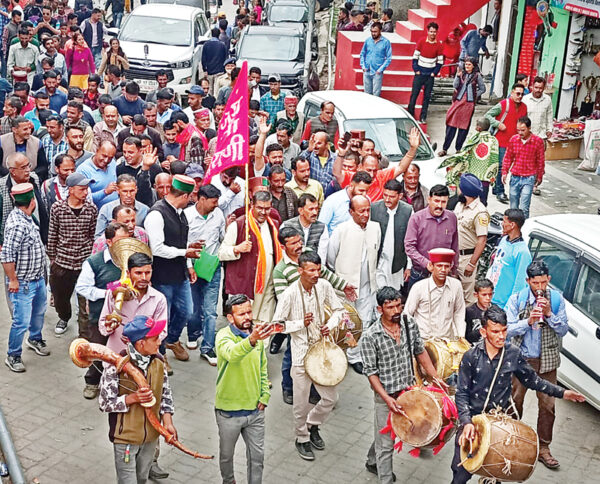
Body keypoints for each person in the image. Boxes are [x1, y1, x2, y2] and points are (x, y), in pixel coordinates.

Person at [452, 304, 585, 484]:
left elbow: (533, 380)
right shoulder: (471, 356)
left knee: (496, 474)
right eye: (496, 331)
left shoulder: (513, 354)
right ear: (484, 332)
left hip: (499, 424)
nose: (501, 336)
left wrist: (563, 393)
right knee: (461, 472)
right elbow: (461, 393)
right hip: (472, 421)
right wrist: (466, 422)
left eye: (504, 331)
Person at [361, 286, 445, 482]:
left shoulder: (409, 323)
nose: (397, 311)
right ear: (380, 309)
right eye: (390, 307)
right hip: (386, 396)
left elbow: (420, 351)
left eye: (399, 305)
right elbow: (371, 373)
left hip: (408, 392)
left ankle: (372, 460)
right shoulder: (370, 336)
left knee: (387, 432)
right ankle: (386, 479)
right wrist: (386, 399)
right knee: (387, 444)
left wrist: (434, 377)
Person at [272, 251, 345, 461]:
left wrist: (329, 325)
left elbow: (340, 311)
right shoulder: (289, 294)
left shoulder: (324, 287)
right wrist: (299, 324)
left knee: (331, 398)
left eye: (318, 270)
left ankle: (312, 425)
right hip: (301, 356)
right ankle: (301, 437)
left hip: (322, 353)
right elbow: (277, 325)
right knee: (301, 403)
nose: (316, 274)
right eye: (311, 270)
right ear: (300, 271)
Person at [98, 315, 178, 484]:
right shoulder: (116, 365)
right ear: (141, 343)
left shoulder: (158, 362)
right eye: (155, 338)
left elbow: (165, 394)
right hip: (125, 439)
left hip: (151, 438)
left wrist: (168, 422)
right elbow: (104, 403)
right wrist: (132, 398)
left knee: (141, 478)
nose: (159, 342)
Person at [506, 259, 569, 469]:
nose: (540, 288)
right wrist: (529, 321)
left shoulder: (558, 300)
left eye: (543, 283)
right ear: (528, 281)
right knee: (515, 402)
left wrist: (549, 313)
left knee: (548, 406)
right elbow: (507, 329)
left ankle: (544, 448)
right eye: (536, 283)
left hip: (547, 362)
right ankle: (510, 442)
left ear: (548, 279)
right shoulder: (517, 299)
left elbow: (563, 330)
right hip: (522, 360)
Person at [144, 175, 201, 365]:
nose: (192, 200)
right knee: (162, 317)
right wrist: (185, 252)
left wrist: (188, 263)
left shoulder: (180, 213)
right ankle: (160, 355)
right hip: (162, 276)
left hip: (180, 274)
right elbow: (157, 248)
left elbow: (180, 242)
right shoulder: (156, 214)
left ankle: (173, 339)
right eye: (191, 196)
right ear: (184, 196)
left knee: (187, 311)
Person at [215, 294, 272, 484]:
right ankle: (228, 481)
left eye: (249, 312)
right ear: (230, 318)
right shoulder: (223, 336)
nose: (247, 317)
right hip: (228, 413)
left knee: (257, 458)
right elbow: (232, 354)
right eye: (241, 314)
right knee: (226, 456)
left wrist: (265, 395)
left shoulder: (257, 336)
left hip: (256, 411)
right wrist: (252, 340)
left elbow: (263, 368)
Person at [74, 222, 128, 397]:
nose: (124, 245)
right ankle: (92, 382)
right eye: (120, 240)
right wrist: (108, 294)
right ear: (109, 242)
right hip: (100, 317)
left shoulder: (132, 259)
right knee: (98, 349)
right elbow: (82, 287)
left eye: (127, 240)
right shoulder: (94, 262)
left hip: (127, 317)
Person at [327, 195, 380, 373]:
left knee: (364, 322)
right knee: (347, 322)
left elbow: (376, 254)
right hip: (345, 288)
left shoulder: (375, 228)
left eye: (368, 210)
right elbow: (330, 258)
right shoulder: (341, 230)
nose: (366, 215)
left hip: (367, 286)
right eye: (361, 211)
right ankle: (345, 353)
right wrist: (342, 280)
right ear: (351, 212)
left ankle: (356, 356)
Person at [1, 182, 49, 372]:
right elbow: (6, 255)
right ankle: (13, 355)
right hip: (23, 284)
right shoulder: (18, 225)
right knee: (21, 321)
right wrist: (13, 280)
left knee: (38, 312)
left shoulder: (26, 218)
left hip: (37, 279)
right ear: (32, 201)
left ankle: (35, 338)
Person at [218, 190, 282, 325]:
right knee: (242, 323)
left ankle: (262, 347)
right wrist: (237, 249)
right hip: (245, 284)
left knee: (264, 322)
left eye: (267, 208)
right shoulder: (239, 225)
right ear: (252, 205)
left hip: (268, 285)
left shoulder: (274, 224)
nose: (263, 212)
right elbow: (221, 253)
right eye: (260, 208)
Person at [47, 172, 97, 336]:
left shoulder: (91, 209)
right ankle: (64, 317)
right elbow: (52, 234)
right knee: (61, 298)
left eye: (86, 189)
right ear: (71, 190)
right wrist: (53, 260)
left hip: (84, 262)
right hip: (62, 263)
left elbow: (92, 235)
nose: (85, 192)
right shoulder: (58, 209)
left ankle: (84, 336)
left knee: (84, 303)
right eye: (82, 189)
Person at [184, 184, 226, 364]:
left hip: (213, 266)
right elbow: (182, 243)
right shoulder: (186, 216)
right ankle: (193, 333)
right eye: (213, 202)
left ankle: (208, 347)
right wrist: (189, 266)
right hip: (192, 266)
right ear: (201, 199)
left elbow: (222, 238)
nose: (216, 205)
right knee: (193, 307)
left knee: (210, 310)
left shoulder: (219, 215)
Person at [404, 184, 459, 289]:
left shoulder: (452, 217)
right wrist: (426, 263)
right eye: (436, 201)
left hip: (444, 275)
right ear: (429, 200)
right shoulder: (416, 218)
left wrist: (454, 269)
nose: (439, 205)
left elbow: (455, 246)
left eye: (443, 202)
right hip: (420, 274)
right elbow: (409, 247)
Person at [405, 247, 465, 340]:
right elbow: (407, 314)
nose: (443, 270)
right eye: (439, 266)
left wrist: (461, 337)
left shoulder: (456, 285)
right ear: (431, 266)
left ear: (450, 268)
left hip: (447, 341)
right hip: (422, 340)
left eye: (446, 266)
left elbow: (459, 312)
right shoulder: (419, 287)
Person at [439, 118, 499, 205]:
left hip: (472, 178)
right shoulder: (494, 140)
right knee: (482, 202)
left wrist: (454, 166)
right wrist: (492, 177)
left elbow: (465, 154)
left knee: (468, 201)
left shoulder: (474, 138)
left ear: (479, 128)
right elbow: (495, 159)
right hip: (485, 178)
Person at [485, 82, 527, 204]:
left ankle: (496, 187)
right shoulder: (504, 104)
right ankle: (500, 191)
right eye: (517, 93)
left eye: (521, 94)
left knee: (506, 166)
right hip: (501, 140)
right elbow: (488, 115)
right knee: (502, 166)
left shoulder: (524, 107)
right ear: (512, 92)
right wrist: (498, 124)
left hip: (515, 141)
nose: (519, 96)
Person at [439, 57, 485, 156]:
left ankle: (458, 148)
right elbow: (455, 86)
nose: (467, 66)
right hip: (458, 102)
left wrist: (475, 95)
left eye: (469, 64)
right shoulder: (461, 74)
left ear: (473, 66)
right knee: (451, 125)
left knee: (463, 127)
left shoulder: (477, 76)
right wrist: (457, 75)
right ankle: (445, 148)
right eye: (466, 64)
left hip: (468, 104)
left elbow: (483, 88)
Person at [371, 179, 413, 290]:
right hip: (378, 261)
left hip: (397, 263)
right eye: (385, 195)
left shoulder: (408, 211)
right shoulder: (374, 208)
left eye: (392, 196)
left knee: (393, 293)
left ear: (400, 196)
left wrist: (409, 266)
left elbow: (410, 240)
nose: (387, 199)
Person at [454, 174, 489, 304]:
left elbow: (482, 240)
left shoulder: (480, 213)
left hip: (467, 258)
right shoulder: (459, 205)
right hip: (455, 255)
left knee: (468, 297)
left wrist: (472, 264)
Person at [487, 208, 532, 308]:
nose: (502, 224)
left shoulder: (522, 252)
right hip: (491, 299)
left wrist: (509, 308)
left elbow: (520, 284)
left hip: (503, 305)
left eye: (504, 221)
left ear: (512, 225)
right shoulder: (503, 240)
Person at [502, 116, 545, 219]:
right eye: (518, 130)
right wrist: (504, 172)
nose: (520, 133)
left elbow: (540, 160)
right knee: (513, 207)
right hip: (515, 176)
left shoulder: (538, 141)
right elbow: (508, 157)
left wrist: (539, 176)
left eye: (523, 130)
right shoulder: (514, 140)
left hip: (529, 177)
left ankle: (524, 228)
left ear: (529, 128)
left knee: (524, 207)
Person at [522, 76, 553, 196]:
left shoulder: (547, 100)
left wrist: (550, 129)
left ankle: (535, 185)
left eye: (540, 88)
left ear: (543, 88)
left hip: (541, 136)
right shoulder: (525, 99)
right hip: (527, 136)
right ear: (532, 87)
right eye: (536, 87)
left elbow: (549, 115)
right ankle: (525, 182)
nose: (538, 90)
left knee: (538, 162)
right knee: (525, 160)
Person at [408, 22, 443, 122]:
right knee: (414, 95)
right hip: (420, 73)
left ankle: (423, 117)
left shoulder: (439, 45)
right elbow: (415, 58)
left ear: (437, 32)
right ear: (427, 32)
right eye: (431, 31)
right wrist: (416, 70)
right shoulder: (421, 41)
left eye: (434, 32)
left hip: (429, 75)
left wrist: (434, 73)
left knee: (427, 97)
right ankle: (410, 115)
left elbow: (440, 62)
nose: (432, 34)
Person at [282, 193, 329, 262]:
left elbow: (322, 254)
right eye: (311, 209)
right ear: (301, 211)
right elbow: (283, 253)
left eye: (316, 209)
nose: (315, 212)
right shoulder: (287, 226)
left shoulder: (322, 227)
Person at [0, 116, 48, 181]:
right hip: (6, 179)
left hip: (31, 180)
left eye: (29, 128)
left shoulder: (37, 143)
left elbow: (42, 167)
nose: (29, 132)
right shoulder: (2, 141)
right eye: (25, 129)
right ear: (15, 130)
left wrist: (28, 175)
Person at [76, 140, 118, 208]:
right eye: (104, 156)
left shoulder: (112, 163)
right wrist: (105, 192)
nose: (106, 160)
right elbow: (81, 198)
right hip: (97, 214)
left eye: (110, 158)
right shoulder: (83, 170)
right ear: (96, 151)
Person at [360, 22, 392, 97]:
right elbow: (362, 54)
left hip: (377, 71)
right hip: (367, 70)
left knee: (376, 94)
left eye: (375, 32)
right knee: (367, 94)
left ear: (380, 31)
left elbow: (389, 58)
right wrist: (363, 66)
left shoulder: (386, 42)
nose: (373, 33)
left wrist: (380, 70)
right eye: (372, 31)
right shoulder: (368, 41)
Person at [465, 278, 493, 344]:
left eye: (490, 294)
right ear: (476, 295)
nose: (488, 298)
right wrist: (480, 331)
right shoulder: (469, 311)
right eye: (484, 295)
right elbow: (466, 336)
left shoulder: (496, 310)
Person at [201, 28, 227, 95]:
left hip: (210, 70)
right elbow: (225, 57)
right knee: (217, 90)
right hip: (219, 71)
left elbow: (203, 58)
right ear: (219, 34)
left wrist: (205, 69)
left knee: (210, 90)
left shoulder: (206, 44)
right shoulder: (222, 45)